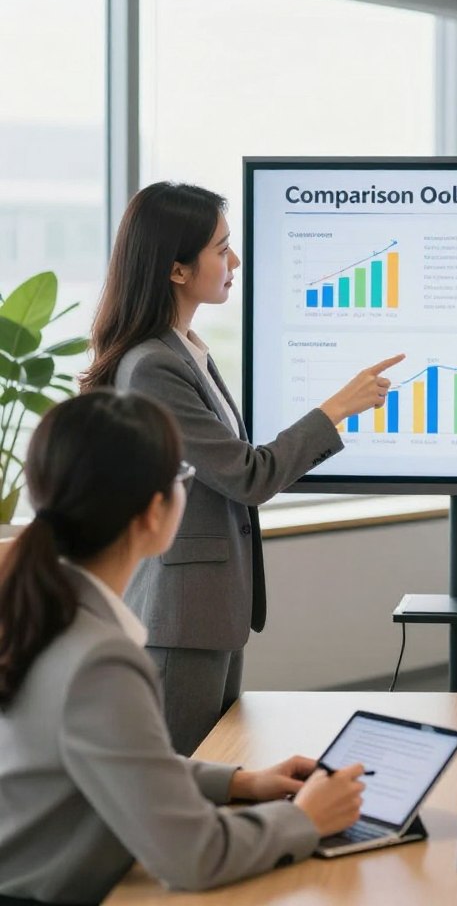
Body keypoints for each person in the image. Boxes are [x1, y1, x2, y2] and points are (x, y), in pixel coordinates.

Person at [0, 391, 367, 903]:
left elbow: (124, 758)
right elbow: (193, 856)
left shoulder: (43, 610)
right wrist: (303, 817)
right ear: (154, 512)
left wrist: (242, 782)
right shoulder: (98, 659)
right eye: (182, 478)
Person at [80, 181, 403, 754]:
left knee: (218, 763)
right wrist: (336, 409)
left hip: (206, 607)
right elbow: (246, 476)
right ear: (177, 270)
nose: (234, 262)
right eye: (221, 249)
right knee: (188, 778)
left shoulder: (184, 349)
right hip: (181, 616)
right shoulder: (154, 364)